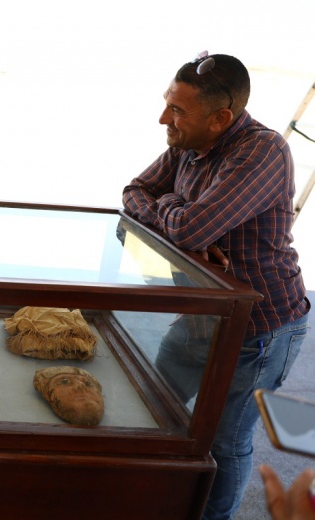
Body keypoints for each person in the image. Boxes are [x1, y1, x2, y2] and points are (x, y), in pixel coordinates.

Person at [122, 51, 310, 519]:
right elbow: (131, 193)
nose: (163, 118)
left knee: (224, 442)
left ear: (221, 117)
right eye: (168, 103)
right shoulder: (187, 139)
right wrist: (174, 209)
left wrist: (169, 211)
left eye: (178, 110)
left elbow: (189, 231)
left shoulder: (261, 151)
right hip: (202, 314)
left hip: (259, 326)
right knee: (152, 405)